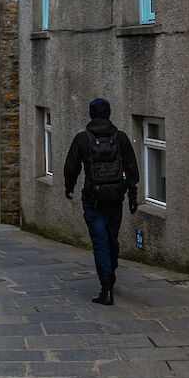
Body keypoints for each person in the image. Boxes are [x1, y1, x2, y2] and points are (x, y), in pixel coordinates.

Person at [64, 98, 139, 306]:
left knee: (100, 242)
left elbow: (71, 167)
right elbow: (130, 168)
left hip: (93, 198)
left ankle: (106, 287)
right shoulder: (120, 138)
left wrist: (68, 187)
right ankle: (111, 274)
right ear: (109, 113)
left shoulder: (82, 139)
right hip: (116, 196)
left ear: (90, 114)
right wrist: (131, 192)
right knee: (111, 239)